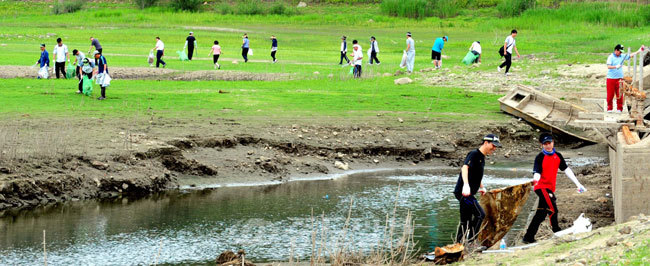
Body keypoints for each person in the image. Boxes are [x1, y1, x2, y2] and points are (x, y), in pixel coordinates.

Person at [522, 133, 587, 244]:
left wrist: (578, 184)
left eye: (549, 143)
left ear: (553, 142)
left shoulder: (558, 156)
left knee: (541, 214)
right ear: (541, 145)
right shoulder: (540, 157)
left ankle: (528, 237)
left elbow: (566, 170)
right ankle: (557, 232)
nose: (548, 145)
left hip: (550, 188)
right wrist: (535, 181)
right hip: (541, 187)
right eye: (545, 144)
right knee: (552, 208)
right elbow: (537, 172)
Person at [454, 134, 501, 244]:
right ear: (486, 143)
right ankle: (471, 241)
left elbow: (475, 175)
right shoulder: (474, 154)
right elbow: (465, 168)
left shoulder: (482, 157)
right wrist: (466, 185)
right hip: (464, 193)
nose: (494, 149)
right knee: (480, 214)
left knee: (466, 220)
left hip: (468, 193)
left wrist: (482, 187)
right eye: (493, 146)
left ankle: (459, 243)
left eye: (496, 147)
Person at [606, 44, 645, 113]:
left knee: (620, 94)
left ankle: (619, 108)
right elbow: (608, 66)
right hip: (611, 79)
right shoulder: (611, 57)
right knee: (610, 94)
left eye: (621, 52)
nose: (620, 53)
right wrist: (615, 66)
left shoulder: (622, 56)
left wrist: (639, 51)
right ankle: (609, 108)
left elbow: (630, 55)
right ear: (616, 50)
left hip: (620, 79)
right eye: (620, 51)